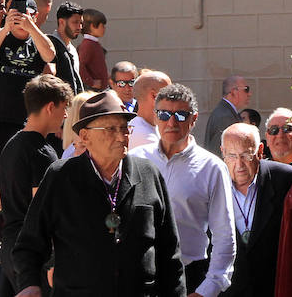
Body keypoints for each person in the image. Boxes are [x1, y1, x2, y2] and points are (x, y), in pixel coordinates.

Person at [12, 89, 185, 296]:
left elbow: (170, 252)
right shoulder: (61, 177)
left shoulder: (148, 173)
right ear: (85, 136)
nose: (122, 136)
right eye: (110, 129)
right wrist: (30, 284)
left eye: (125, 128)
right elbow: (29, 244)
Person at [134, 83, 238, 297]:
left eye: (181, 115)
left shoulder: (212, 167)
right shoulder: (135, 159)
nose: (171, 122)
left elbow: (224, 236)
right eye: (164, 114)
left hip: (189, 277)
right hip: (138, 275)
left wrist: (207, 289)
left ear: (194, 119)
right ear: (155, 117)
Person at [0, 74, 71, 295]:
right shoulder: (41, 153)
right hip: (32, 253)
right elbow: (45, 211)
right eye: (64, 108)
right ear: (50, 107)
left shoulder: (11, 144)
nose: (65, 115)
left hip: (10, 245)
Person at [0, 0, 55, 159]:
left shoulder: (39, 40)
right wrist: (6, 28)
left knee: (19, 165)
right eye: (15, 15)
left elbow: (50, 55)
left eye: (26, 15)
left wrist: (31, 28)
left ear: (35, 16)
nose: (20, 20)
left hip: (25, 118)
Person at [220, 123, 292, 297]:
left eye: (246, 155)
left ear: (260, 150)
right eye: (232, 156)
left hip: (274, 288)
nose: (239, 164)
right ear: (222, 152)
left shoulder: (287, 180)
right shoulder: (210, 185)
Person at [202, 75, 249, 152]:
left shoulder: (225, 112)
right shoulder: (225, 117)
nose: (249, 94)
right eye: (246, 89)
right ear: (234, 92)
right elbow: (219, 152)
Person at [128, 70, 173, 150]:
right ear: (154, 96)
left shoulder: (146, 127)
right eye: (169, 94)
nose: (174, 99)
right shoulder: (144, 136)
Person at [47, 0, 85, 94]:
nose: (79, 27)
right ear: (61, 22)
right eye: (75, 22)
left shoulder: (72, 49)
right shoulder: (49, 46)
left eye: (81, 23)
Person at [77, 8, 108, 90]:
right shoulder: (88, 45)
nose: (104, 28)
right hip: (93, 90)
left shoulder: (94, 44)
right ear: (92, 26)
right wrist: (91, 82)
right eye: (102, 26)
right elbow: (80, 65)